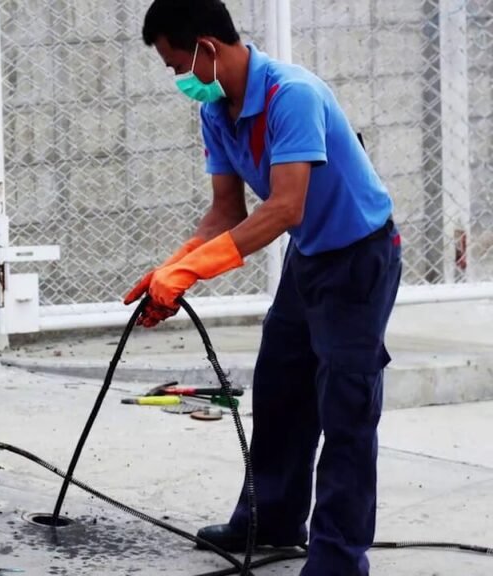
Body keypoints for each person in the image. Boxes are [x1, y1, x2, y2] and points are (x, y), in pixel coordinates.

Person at [125, 1, 402, 574]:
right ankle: (271, 519)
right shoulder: (217, 113)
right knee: (279, 390)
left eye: (180, 64)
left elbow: (284, 206)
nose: (180, 78)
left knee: (346, 409)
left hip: (359, 260)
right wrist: (169, 270)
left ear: (207, 46)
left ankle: (339, 558)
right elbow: (225, 210)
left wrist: (193, 271)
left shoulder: (290, 96)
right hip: (310, 258)